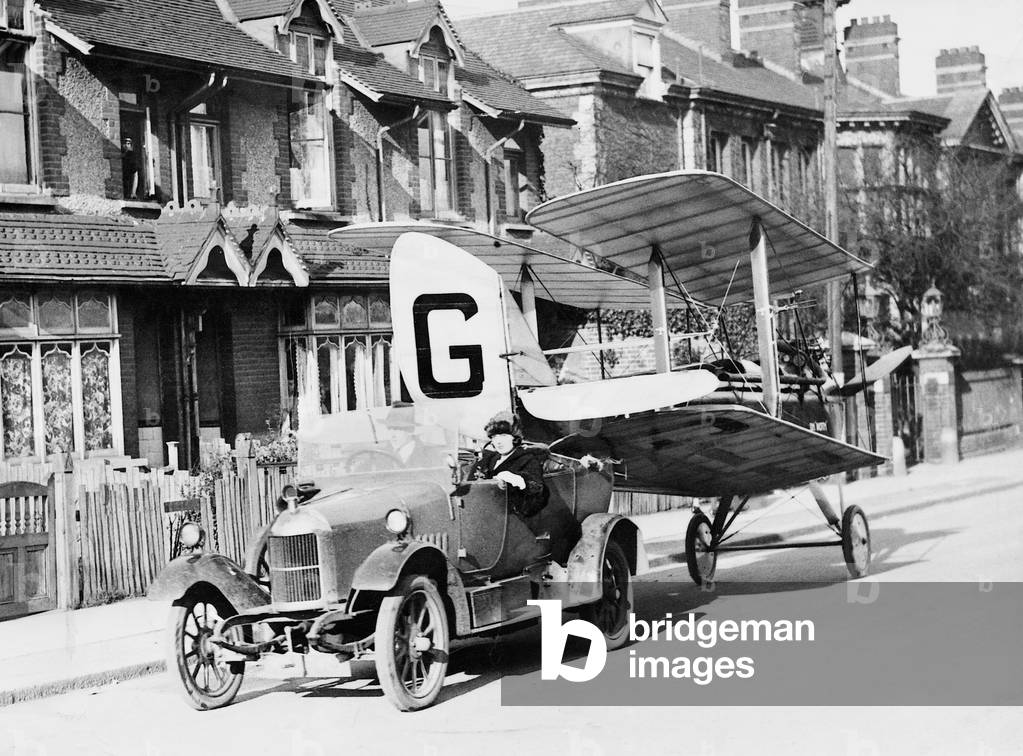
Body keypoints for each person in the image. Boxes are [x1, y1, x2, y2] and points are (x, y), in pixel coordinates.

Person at [472, 411, 548, 518]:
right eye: (494, 437)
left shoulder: (528, 460)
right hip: (485, 513)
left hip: (510, 519)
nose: (498, 441)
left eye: (503, 435)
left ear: (515, 437)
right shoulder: (492, 459)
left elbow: (537, 491)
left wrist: (518, 479)